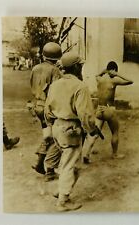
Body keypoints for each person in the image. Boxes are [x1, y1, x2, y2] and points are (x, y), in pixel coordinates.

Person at [44, 52, 101, 212]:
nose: (81, 69)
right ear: (76, 67)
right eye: (80, 66)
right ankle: (63, 201)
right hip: (71, 129)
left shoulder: (55, 84)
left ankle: (60, 190)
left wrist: (51, 124)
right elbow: (85, 114)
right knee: (71, 165)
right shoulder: (80, 86)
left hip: (57, 127)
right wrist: (90, 130)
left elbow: (47, 110)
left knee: (67, 162)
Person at [82, 61, 134, 164]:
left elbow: (96, 75)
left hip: (99, 110)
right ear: (114, 70)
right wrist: (117, 74)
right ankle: (115, 154)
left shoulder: (99, 79)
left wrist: (103, 71)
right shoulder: (114, 81)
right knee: (115, 132)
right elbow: (130, 81)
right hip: (109, 109)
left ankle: (86, 154)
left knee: (95, 133)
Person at [30, 42, 63, 180]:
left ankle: (39, 163)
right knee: (56, 138)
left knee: (48, 135)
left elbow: (32, 85)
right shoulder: (55, 71)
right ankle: (49, 170)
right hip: (49, 108)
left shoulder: (35, 68)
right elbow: (57, 90)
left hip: (37, 105)